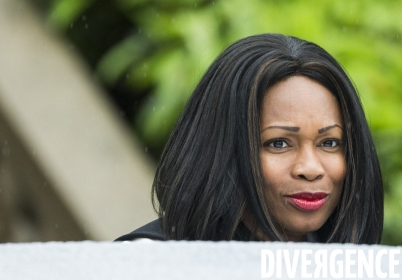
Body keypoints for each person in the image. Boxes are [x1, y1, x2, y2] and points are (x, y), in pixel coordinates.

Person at [116, 33, 383, 243]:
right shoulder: (146, 263)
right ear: (222, 150)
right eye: (278, 143)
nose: (310, 169)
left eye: (329, 143)